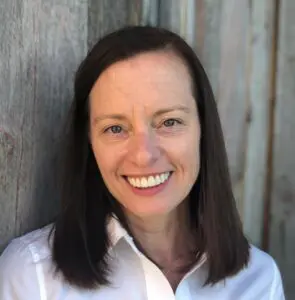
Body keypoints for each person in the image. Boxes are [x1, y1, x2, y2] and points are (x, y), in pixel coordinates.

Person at [0, 26, 285, 299]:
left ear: (203, 127)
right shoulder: (31, 277)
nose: (143, 155)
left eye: (169, 122)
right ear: (89, 140)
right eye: (115, 128)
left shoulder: (258, 280)